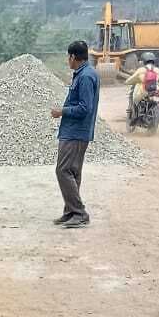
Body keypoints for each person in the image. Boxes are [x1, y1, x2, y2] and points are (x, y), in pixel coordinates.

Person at [50, 40, 99, 228]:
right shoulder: (85, 73)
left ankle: (79, 213)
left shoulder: (85, 76)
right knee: (73, 172)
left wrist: (62, 111)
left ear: (72, 57)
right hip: (76, 131)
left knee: (63, 170)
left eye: (68, 57)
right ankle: (71, 212)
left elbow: (85, 108)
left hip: (75, 132)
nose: (67, 60)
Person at [125, 54, 159, 119]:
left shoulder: (141, 70)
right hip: (155, 90)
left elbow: (131, 79)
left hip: (143, 90)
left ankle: (134, 112)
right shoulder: (157, 70)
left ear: (144, 61)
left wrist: (127, 82)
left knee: (134, 98)